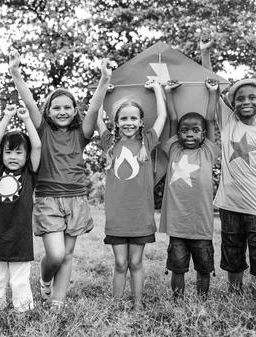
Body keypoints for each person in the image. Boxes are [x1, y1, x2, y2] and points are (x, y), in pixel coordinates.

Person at [8, 50, 111, 310]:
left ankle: (58, 302)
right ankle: (45, 280)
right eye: (56, 107)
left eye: (67, 107)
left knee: (68, 255)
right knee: (56, 254)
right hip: (48, 199)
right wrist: (15, 72)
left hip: (76, 199)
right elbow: (29, 102)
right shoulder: (42, 130)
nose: (62, 111)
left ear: (75, 110)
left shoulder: (82, 132)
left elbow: (96, 106)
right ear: (48, 111)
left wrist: (104, 79)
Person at [201, 35, 256, 295]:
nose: (246, 101)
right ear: (232, 104)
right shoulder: (227, 123)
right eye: (239, 98)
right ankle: (234, 295)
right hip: (229, 205)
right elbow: (211, 84)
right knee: (232, 251)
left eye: (252, 97)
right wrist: (205, 52)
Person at [95, 81, 167, 311]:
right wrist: (102, 90)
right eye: (123, 119)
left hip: (139, 215)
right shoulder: (109, 143)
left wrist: (157, 88)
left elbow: (163, 115)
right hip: (117, 216)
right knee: (120, 263)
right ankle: (116, 305)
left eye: (133, 118)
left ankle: (138, 304)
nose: (129, 123)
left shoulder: (147, 142)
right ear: (116, 122)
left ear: (141, 122)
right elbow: (95, 116)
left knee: (135, 262)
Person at [0, 104, 41, 313]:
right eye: (8, 151)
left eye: (19, 152)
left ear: (27, 156)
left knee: (20, 279)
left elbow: (37, 146)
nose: (13, 156)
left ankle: (23, 312)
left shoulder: (30, 173)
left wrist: (27, 119)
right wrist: (6, 117)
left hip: (19, 235)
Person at [158, 75, 221, 300]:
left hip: (201, 225)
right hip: (177, 225)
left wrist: (213, 93)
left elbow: (211, 120)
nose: (190, 134)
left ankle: (202, 302)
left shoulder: (208, 152)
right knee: (178, 268)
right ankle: (178, 302)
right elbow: (173, 119)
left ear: (204, 134)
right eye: (185, 130)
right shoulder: (174, 149)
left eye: (195, 130)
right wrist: (168, 93)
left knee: (204, 269)